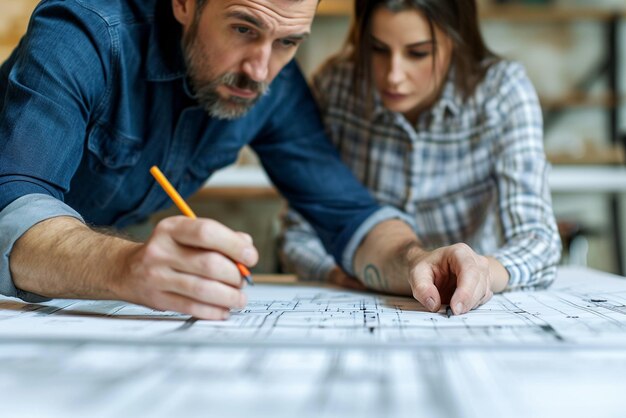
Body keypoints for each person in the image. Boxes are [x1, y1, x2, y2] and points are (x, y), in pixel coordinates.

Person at [0, 0, 498, 321]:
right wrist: (126, 265)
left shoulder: (273, 84)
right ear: (185, 4)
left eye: (287, 42)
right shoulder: (83, 35)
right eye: (243, 28)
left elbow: (349, 216)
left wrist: (417, 260)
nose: (261, 70)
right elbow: (13, 213)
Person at [280, 0, 562, 309]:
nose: (393, 76)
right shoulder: (337, 87)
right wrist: (344, 275)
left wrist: (477, 272)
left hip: (465, 305)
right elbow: (298, 233)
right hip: (364, 294)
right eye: (377, 49)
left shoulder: (501, 91)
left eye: (418, 53)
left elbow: (539, 242)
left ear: (456, 40)